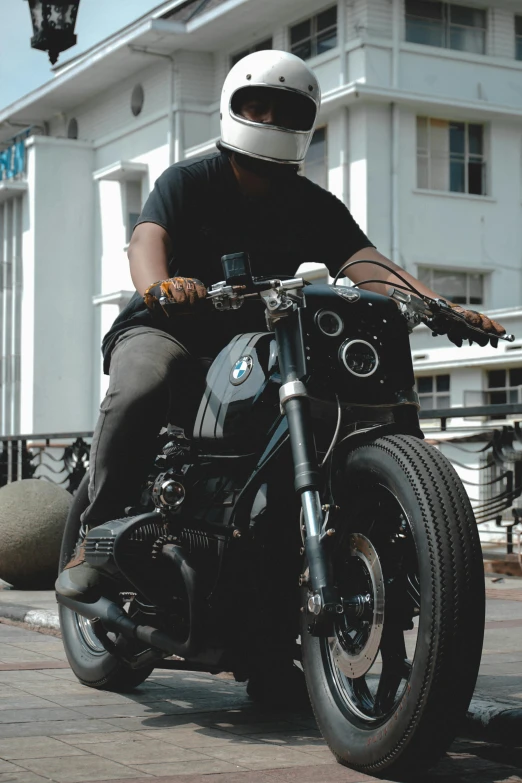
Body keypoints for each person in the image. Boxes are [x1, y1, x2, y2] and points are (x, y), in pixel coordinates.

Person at [56, 50, 505, 698]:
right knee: (144, 383)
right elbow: (145, 238)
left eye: (285, 109)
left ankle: (269, 642)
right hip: (173, 328)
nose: (269, 117)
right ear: (234, 109)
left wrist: (437, 305)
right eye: (257, 104)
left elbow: (365, 262)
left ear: (306, 121)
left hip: (256, 347)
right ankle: (91, 540)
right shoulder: (192, 179)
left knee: (281, 471)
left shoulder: (311, 204)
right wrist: (159, 288)